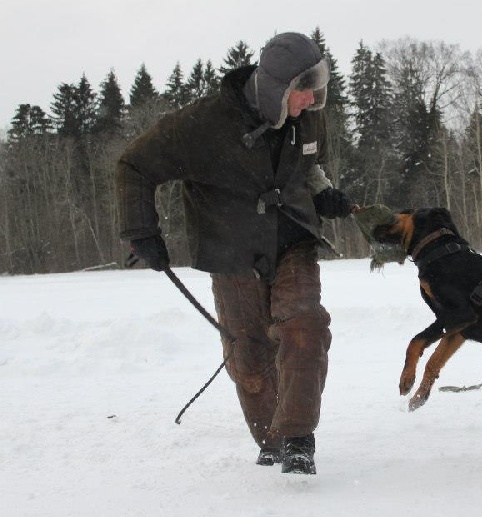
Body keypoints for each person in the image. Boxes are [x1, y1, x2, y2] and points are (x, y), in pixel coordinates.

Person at [116, 32, 356, 475]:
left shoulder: (308, 114)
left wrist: (323, 193)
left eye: (316, 89)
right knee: (248, 354)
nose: (312, 101)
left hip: (293, 241)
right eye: (303, 93)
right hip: (231, 249)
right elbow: (134, 165)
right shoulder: (200, 125)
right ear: (276, 89)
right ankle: (270, 439)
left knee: (305, 325)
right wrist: (140, 231)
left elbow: (309, 164)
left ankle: (298, 438)